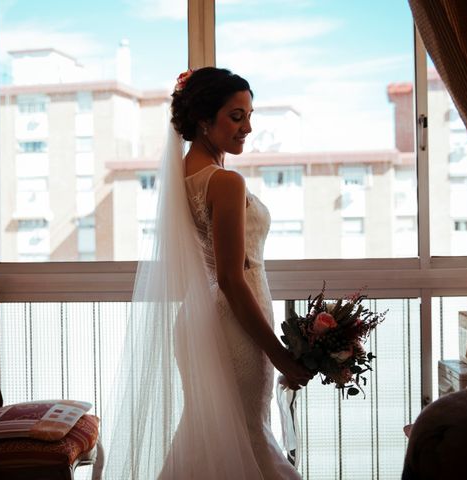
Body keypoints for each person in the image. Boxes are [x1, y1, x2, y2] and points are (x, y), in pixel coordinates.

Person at [105, 67, 311, 480]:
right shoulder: (225, 182)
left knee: (212, 435)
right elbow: (234, 280)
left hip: (201, 324)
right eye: (237, 116)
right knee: (249, 435)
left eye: (249, 116)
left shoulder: (181, 178)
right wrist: (280, 355)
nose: (248, 127)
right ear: (204, 119)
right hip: (235, 327)